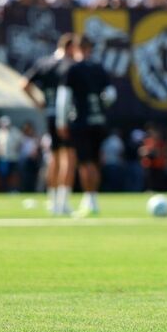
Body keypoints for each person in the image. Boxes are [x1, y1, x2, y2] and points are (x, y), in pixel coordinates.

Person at [57, 35, 116, 217]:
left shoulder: (72, 69)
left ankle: (90, 200)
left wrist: (61, 122)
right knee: (95, 161)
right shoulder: (99, 68)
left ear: (75, 48)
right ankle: (92, 199)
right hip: (98, 121)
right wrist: (101, 107)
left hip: (81, 121)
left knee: (85, 163)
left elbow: (64, 98)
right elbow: (111, 95)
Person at [22, 34, 76, 214]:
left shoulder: (44, 63)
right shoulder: (69, 65)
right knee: (68, 158)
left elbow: (24, 84)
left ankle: (52, 200)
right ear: (70, 47)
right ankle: (63, 202)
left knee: (53, 157)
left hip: (49, 114)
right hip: (66, 116)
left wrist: (38, 103)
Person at [0, 116, 23, 193]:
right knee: (3, 175)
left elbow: (20, 143)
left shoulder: (15, 131)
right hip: (3, 158)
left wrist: (16, 150)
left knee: (13, 174)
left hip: (13, 157)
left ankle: (13, 189)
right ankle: (4, 189)